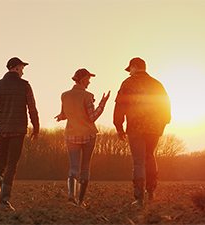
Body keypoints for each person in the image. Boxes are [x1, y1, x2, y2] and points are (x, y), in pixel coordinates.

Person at [0, 57, 40, 211]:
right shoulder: (25, 86)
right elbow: (32, 108)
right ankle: (4, 201)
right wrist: (36, 128)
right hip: (18, 130)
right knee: (12, 164)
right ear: (16, 68)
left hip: (2, 130)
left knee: (1, 161)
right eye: (22, 67)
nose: (23, 71)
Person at [113, 57, 171, 207]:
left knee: (138, 161)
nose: (129, 72)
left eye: (130, 69)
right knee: (150, 156)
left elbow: (120, 106)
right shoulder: (157, 84)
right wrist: (162, 124)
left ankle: (139, 198)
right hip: (154, 129)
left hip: (135, 128)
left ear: (134, 67)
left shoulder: (127, 83)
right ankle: (150, 193)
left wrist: (119, 127)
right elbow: (166, 106)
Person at [55, 68, 110, 206]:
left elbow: (64, 113)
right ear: (83, 80)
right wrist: (102, 103)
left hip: (71, 135)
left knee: (74, 166)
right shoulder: (88, 96)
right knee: (85, 168)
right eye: (88, 80)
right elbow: (92, 117)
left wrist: (60, 117)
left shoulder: (64, 95)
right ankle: (80, 201)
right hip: (88, 136)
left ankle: (71, 194)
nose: (89, 83)